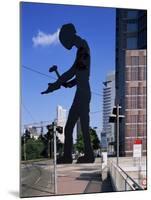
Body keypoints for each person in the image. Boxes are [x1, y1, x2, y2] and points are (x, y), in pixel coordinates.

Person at [41, 23, 94, 164]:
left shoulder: (83, 47)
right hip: (80, 92)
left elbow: (72, 72)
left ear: (69, 36)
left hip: (83, 93)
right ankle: (68, 156)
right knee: (70, 126)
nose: (65, 45)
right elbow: (78, 75)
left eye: (64, 40)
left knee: (82, 125)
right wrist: (67, 83)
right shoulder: (81, 49)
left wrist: (55, 85)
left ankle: (88, 155)